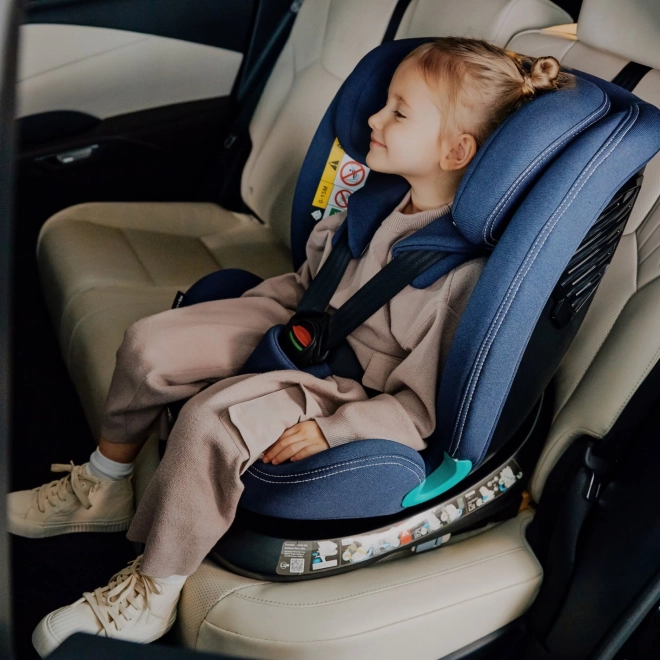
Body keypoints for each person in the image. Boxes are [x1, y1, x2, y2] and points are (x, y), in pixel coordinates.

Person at [8, 37, 570, 655]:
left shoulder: (457, 280)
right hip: (306, 318)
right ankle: (105, 483)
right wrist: (244, 315)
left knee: (211, 423)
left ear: (455, 151)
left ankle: (155, 587)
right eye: (383, 103)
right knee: (149, 344)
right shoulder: (379, 200)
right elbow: (310, 281)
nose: (373, 119)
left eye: (399, 112)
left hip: (351, 387)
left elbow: (418, 410)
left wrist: (337, 429)